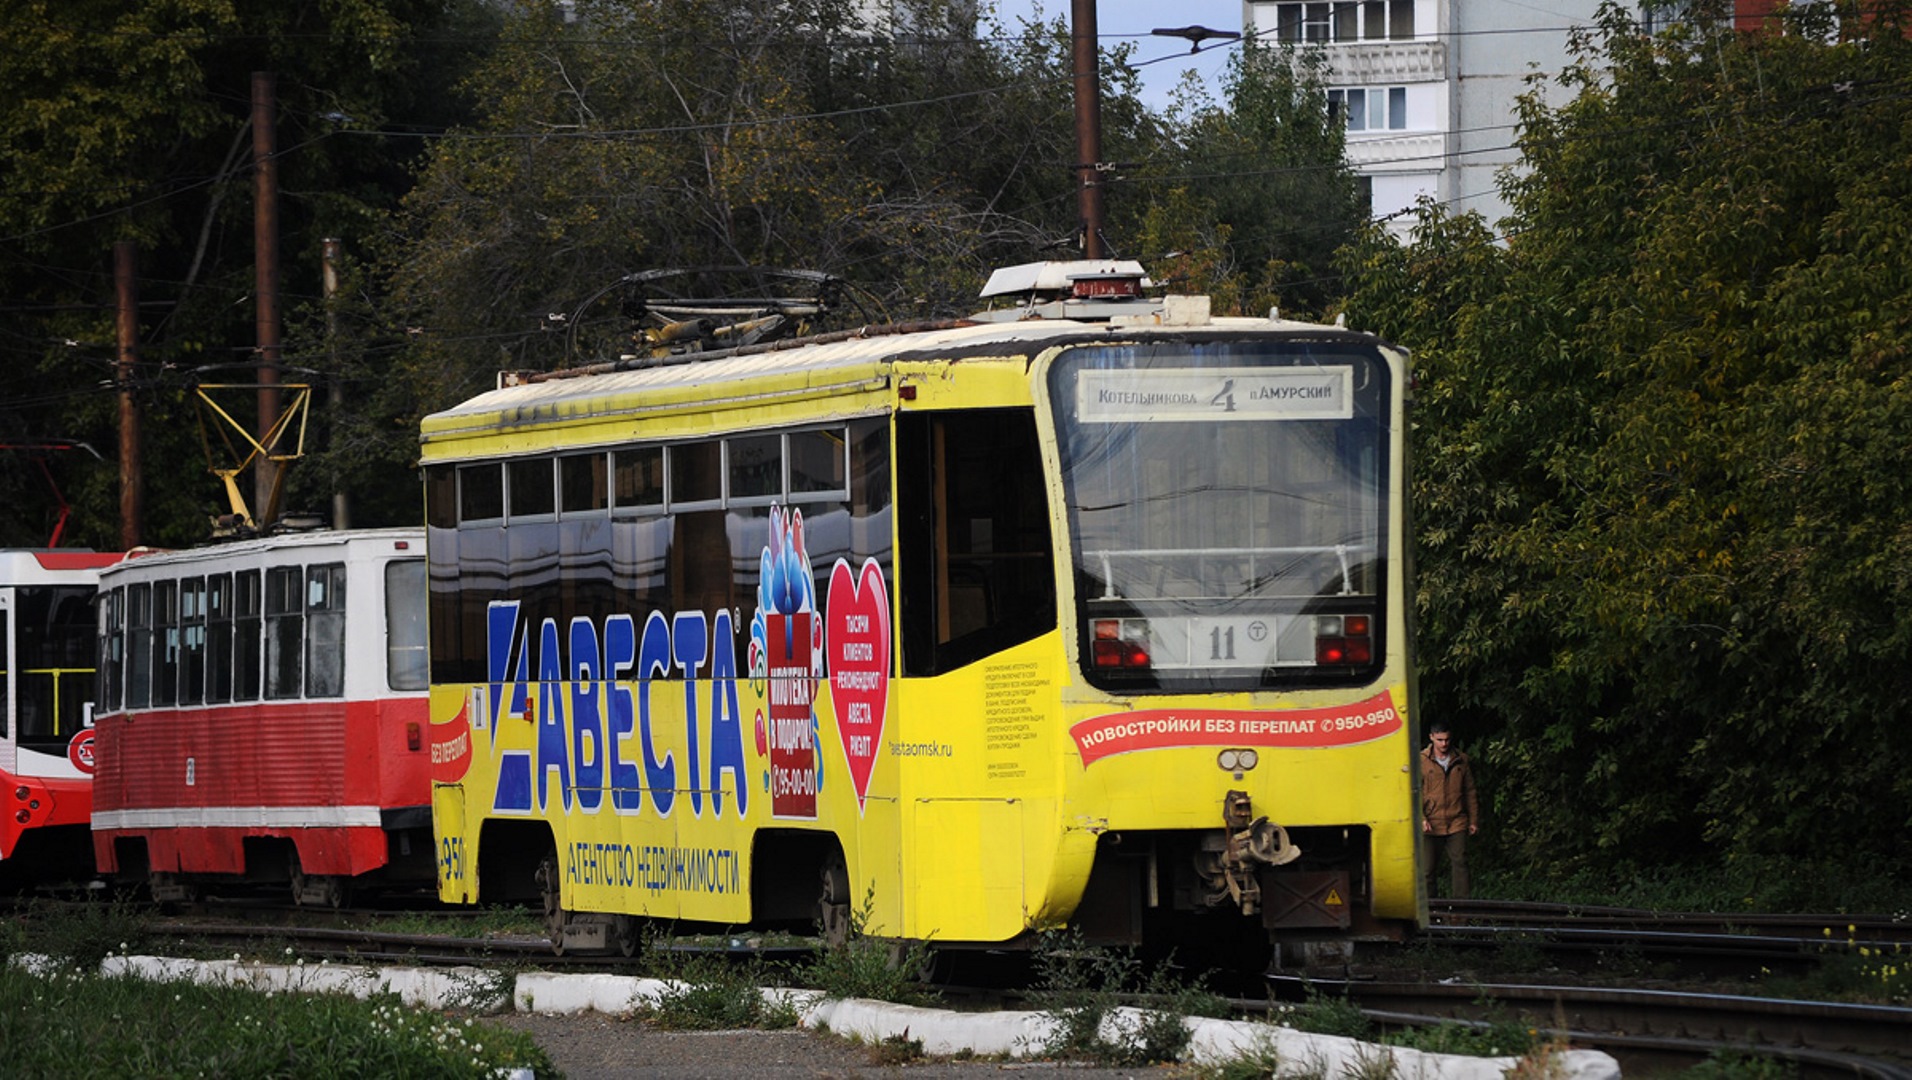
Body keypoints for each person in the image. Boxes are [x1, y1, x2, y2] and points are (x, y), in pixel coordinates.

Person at [1420, 721, 1480, 900]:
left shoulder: (1461, 760)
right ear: (1431, 737)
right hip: (1431, 822)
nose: (1444, 744)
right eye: (1440, 740)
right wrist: (1421, 818)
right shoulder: (1421, 761)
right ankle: (1431, 907)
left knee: (1460, 863)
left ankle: (1461, 908)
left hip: (1456, 820)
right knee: (1427, 869)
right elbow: (1412, 792)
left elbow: (1470, 791)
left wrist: (1473, 820)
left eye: (1447, 739)